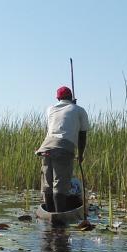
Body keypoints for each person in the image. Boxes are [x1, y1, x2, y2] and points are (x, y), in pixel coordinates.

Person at [36, 86, 89, 215]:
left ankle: (49, 214)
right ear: (71, 97)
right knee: (60, 184)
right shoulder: (79, 110)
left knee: (48, 184)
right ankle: (59, 216)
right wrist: (80, 154)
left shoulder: (50, 109)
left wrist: (72, 105)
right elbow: (82, 135)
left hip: (46, 147)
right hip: (63, 147)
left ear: (58, 98)